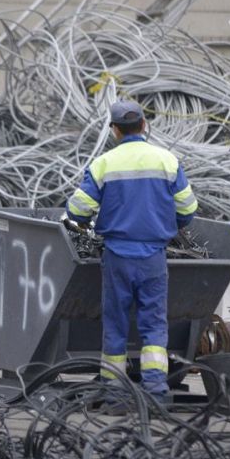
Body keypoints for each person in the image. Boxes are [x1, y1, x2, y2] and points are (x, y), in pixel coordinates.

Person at [65, 99, 198, 400]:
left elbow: (76, 210)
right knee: (153, 324)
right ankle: (156, 389)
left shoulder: (104, 164)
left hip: (117, 256)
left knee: (115, 322)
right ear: (144, 126)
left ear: (114, 130)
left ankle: (113, 389)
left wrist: (84, 221)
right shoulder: (167, 161)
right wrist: (167, 223)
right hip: (153, 255)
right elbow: (188, 210)